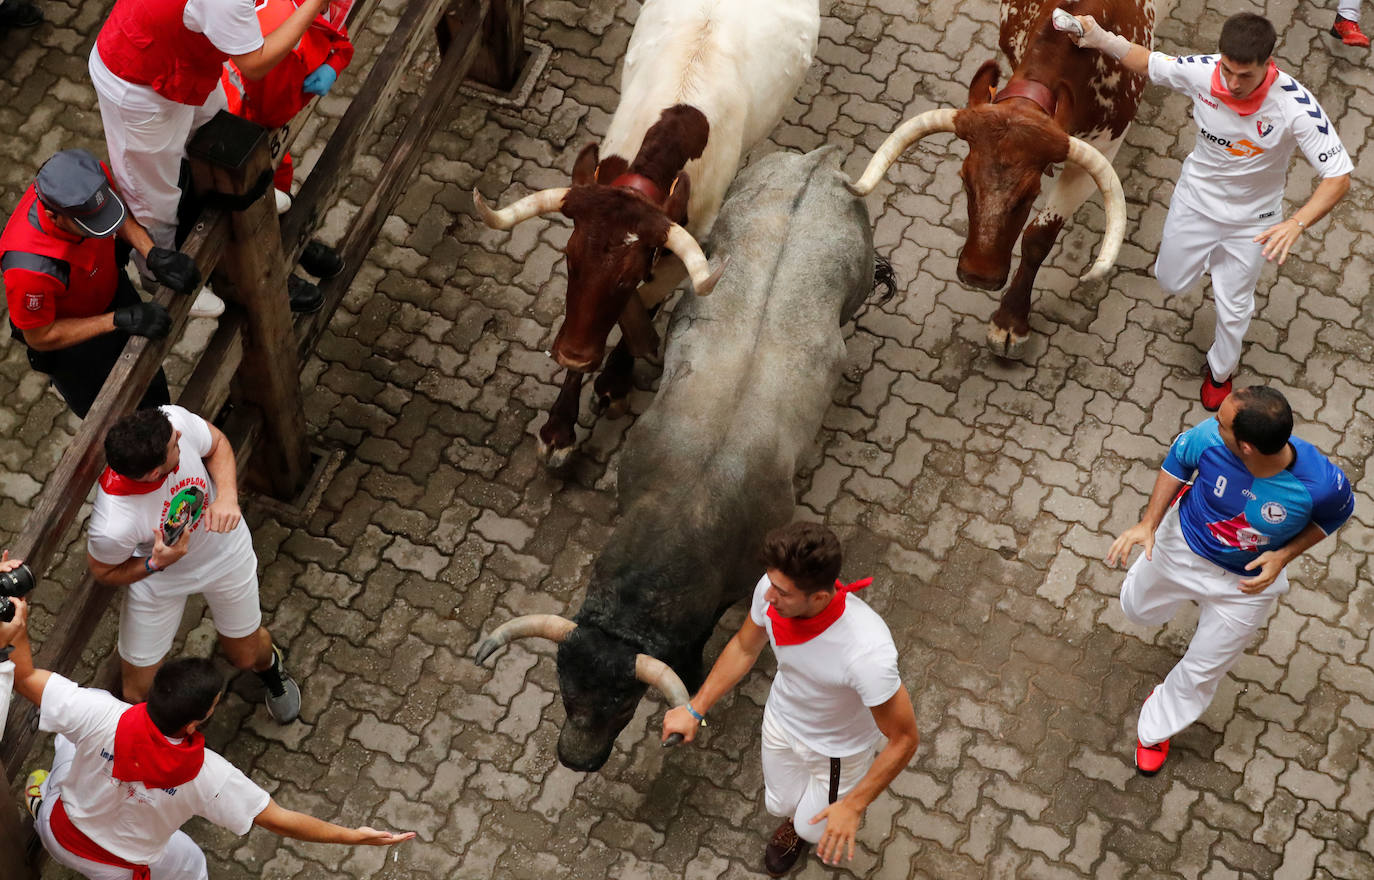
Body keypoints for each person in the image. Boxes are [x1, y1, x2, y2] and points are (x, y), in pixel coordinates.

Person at [3, 597, 414, 880]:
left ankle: (39, 804)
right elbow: (281, 821)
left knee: (70, 738)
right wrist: (353, 836)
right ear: (195, 723)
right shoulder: (208, 778)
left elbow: (21, 676)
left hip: (60, 830)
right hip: (114, 868)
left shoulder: (101, 713)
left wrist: (14, 629)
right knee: (190, 864)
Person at [1071, 12, 1352, 411]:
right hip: (1195, 203)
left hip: (1254, 224)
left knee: (1235, 306)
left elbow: (1338, 176)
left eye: (1245, 76)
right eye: (1228, 70)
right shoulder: (1203, 72)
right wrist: (1098, 36)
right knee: (1169, 280)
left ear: (1268, 66)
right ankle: (1207, 260)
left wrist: (1295, 222)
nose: (1232, 84)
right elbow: (1149, 63)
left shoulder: (1296, 107)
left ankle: (1220, 373)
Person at [1106, 386, 1353, 776]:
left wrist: (1284, 557)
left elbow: (1334, 517)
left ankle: (1155, 728)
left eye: (1221, 423)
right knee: (1137, 609)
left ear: (1247, 447)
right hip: (1181, 547)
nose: (1211, 424)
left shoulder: (1321, 485)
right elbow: (1177, 460)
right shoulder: (1207, 437)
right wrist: (1147, 523)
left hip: (1246, 585)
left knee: (1203, 668)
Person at [660, 523, 919, 877]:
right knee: (779, 802)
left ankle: (801, 833)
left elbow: (904, 739)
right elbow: (743, 646)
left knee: (811, 827)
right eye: (770, 584)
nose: (768, 596)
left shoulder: (866, 654)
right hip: (781, 722)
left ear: (819, 598)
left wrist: (854, 807)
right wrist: (695, 708)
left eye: (782, 592)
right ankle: (793, 819)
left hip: (834, 753)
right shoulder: (772, 590)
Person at [88, 0, 333, 312]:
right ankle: (155, 272)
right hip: (138, 86)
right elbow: (254, 64)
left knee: (220, 129)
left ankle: (244, 204)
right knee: (153, 194)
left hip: (188, 58)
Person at [85, 405, 301, 721]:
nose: (180, 437)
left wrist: (227, 496)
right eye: (174, 445)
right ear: (154, 473)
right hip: (161, 580)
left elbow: (216, 444)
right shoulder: (113, 523)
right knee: (136, 693)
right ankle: (176, 736)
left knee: (244, 656)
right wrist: (154, 564)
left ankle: (271, 667)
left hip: (224, 554)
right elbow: (103, 571)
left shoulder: (171, 421)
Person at [1, 150, 201, 418]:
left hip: (115, 296)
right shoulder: (29, 269)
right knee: (114, 420)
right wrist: (115, 321)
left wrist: (151, 253)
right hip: (78, 350)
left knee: (154, 387)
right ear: (52, 216)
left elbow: (114, 215)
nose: (103, 227)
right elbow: (39, 336)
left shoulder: (91, 180)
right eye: (90, 224)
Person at [220, 0, 351, 282]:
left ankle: (287, 240)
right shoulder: (287, 44)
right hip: (238, 130)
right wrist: (328, 62)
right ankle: (269, 273)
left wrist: (336, 61)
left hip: (257, 119)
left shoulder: (306, 14)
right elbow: (277, 110)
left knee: (280, 182)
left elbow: (336, 33)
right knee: (250, 208)